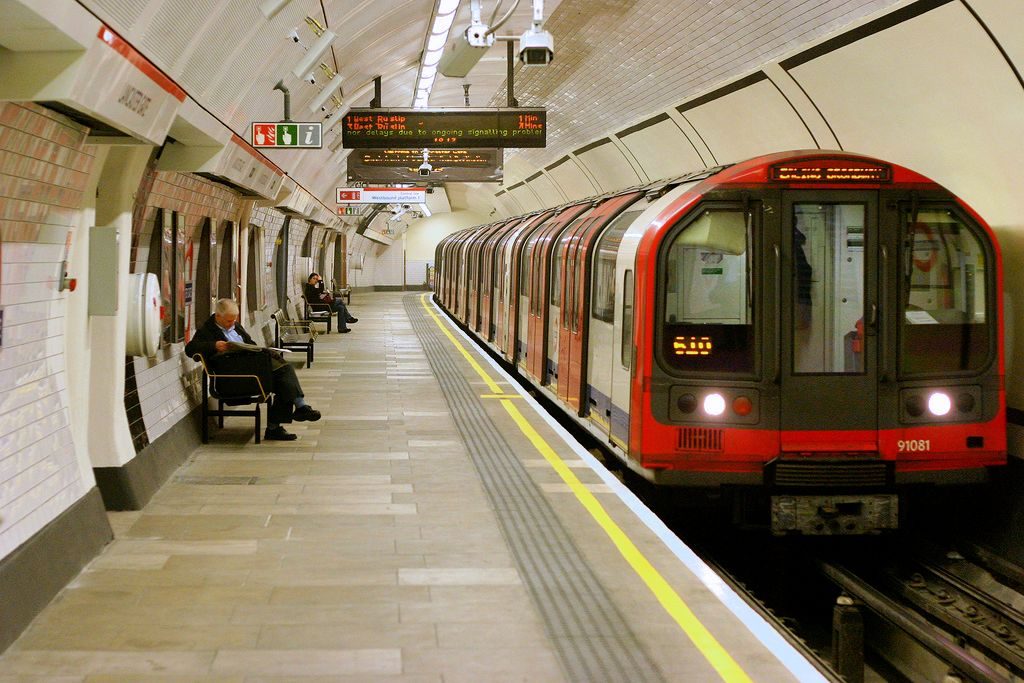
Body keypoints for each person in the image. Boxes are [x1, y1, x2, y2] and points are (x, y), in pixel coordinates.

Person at [185, 299, 320, 441]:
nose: (232, 323)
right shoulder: (207, 331)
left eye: (233, 320)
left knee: (283, 379)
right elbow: (190, 349)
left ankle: (291, 415)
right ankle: (289, 415)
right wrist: (214, 345)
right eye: (228, 321)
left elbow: (251, 344)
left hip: (250, 369)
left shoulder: (236, 326)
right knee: (284, 376)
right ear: (218, 316)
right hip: (234, 377)